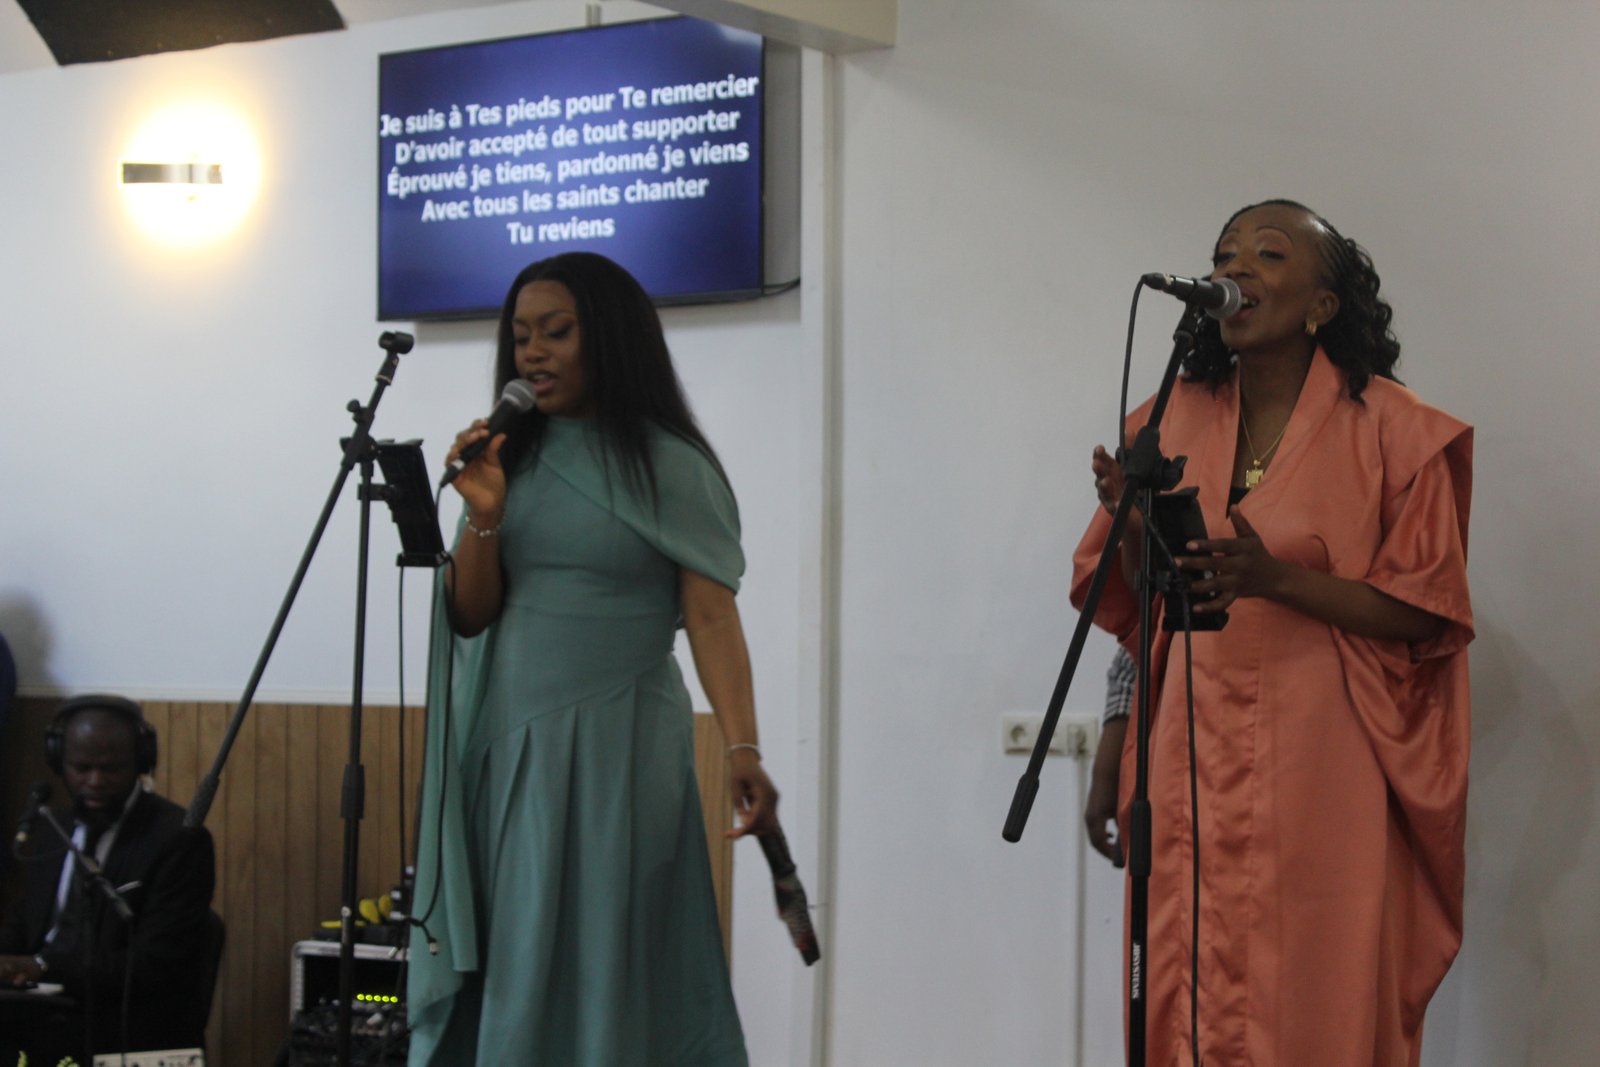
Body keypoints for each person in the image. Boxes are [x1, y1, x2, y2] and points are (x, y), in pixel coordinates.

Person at [1075, 200, 1472, 1066]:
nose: (1236, 268)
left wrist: (1280, 579)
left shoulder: (1398, 431)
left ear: (1324, 304)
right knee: (1185, 974)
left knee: (1313, 984)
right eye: (1225, 254)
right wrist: (1114, 736)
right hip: (1183, 750)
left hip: (1324, 756)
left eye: (1269, 252)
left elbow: (1429, 610)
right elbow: (1141, 610)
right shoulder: (1166, 420)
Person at [407, 251, 779, 1067]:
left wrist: (743, 747)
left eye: (557, 332)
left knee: (608, 959)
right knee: (516, 955)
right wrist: (484, 513)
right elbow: (471, 613)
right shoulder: (508, 457)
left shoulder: (670, 465)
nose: (533, 352)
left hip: (621, 750)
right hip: (510, 749)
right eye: (521, 337)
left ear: (608, 337)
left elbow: (712, 617)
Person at [0, 695, 216, 1063]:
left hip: (121, 1021)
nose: (95, 781)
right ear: (58, 760)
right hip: (37, 1011)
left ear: (140, 762)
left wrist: (42, 967)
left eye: (111, 769)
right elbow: (25, 920)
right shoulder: (54, 828)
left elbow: (155, 963)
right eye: (81, 768)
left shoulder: (178, 839)